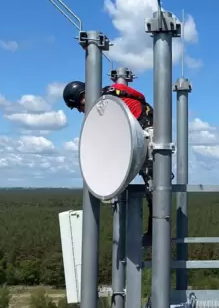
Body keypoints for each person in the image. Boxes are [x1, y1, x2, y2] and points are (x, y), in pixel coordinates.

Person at [62, 80, 155, 245]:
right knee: (150, 184)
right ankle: (153, 228)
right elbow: (140, 96)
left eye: (78, 106)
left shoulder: (106, 103)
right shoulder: (111, 94)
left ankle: (156, 229)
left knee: (153, 186)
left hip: (144, 130)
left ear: (83, 97)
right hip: (141, 126)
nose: (80, 110)